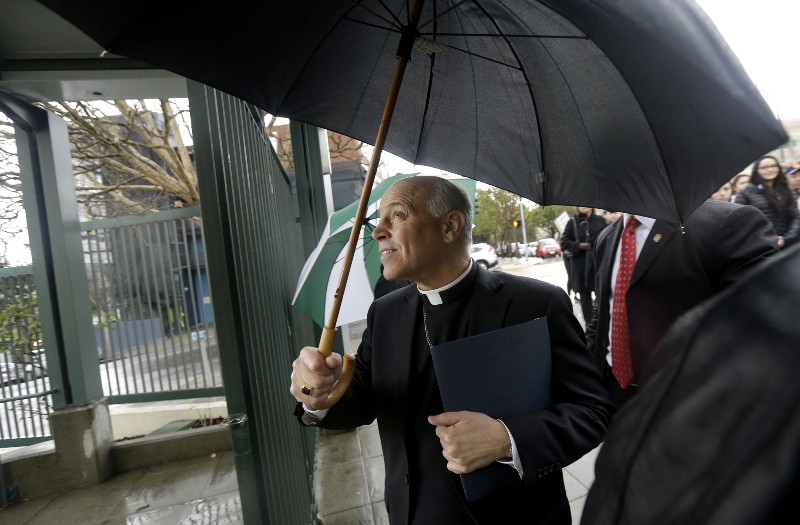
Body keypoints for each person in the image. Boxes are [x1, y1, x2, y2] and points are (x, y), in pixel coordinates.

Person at [290, 176, 612, 525]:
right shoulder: (384, 313)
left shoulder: (536, 303)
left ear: (450, 226)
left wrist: (507, 439)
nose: (378, 231)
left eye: (396, 216)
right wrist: (319, 393)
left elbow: (591, 412)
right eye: (379, 220)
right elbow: (363, 401)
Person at [581, 243, 800, 525]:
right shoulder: (608, 237)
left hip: (673, 389)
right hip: (614, 384)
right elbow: (605, 304)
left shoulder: (721, 226)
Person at [586, 198, 777, 408]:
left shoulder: (726, 222)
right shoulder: (606, 238)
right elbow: (606, 309)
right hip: (616, 395)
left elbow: (762, 320)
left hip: (692, 400)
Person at [733, 155, 800, 249]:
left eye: (773, 166)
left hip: (787, 245)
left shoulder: (787, 190)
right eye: (764, 167)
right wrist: (764, 240)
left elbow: (796, 217)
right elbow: (739, 222)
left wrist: (786, 239)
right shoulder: (745, 192)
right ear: (756, 170)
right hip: (759, 247)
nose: (770, 169)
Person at [560, 207, 609, 326]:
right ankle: (591, 328)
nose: (583, 206)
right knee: (585, 300)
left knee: (602, 297)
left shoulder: (600, 220)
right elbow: (564, 242)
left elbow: (609, 238)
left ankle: (602, 326)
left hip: (598, 265)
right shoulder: (572, 222)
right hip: (581, 268)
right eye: (580, 204)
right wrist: (580, 246)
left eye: (585, 203)